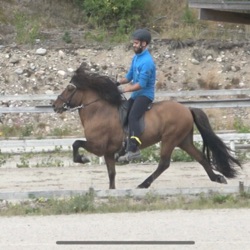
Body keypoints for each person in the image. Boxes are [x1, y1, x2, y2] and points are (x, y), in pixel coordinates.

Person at [117, 28, 156, 162]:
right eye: (133, 43)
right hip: (135, 95)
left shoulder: (147, 62)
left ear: (144, 44)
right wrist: (117, 82)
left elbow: (141, 85)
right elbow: (129, 77)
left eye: (136, 43)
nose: (134, 45)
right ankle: (123, 146)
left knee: (133, 115)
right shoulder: (136, 58)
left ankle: (134, 149)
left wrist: (125, 90)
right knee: (123, 112)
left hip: (145, 95)